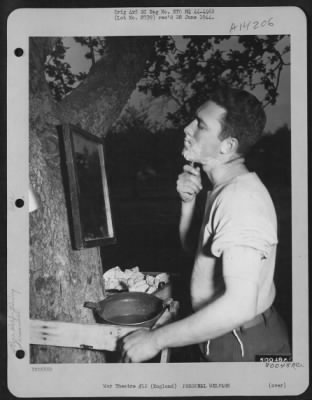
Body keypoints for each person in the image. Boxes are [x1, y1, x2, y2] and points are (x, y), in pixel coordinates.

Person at [121, 86, 290, 362]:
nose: (187, 129)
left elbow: (238, 306)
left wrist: (155, 340)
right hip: (224, 334)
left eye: (200, 125)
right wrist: (188, 204)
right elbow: (198, 254)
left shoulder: (240, 200)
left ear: (227, 146)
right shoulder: (224, 189)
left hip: (241, 344)